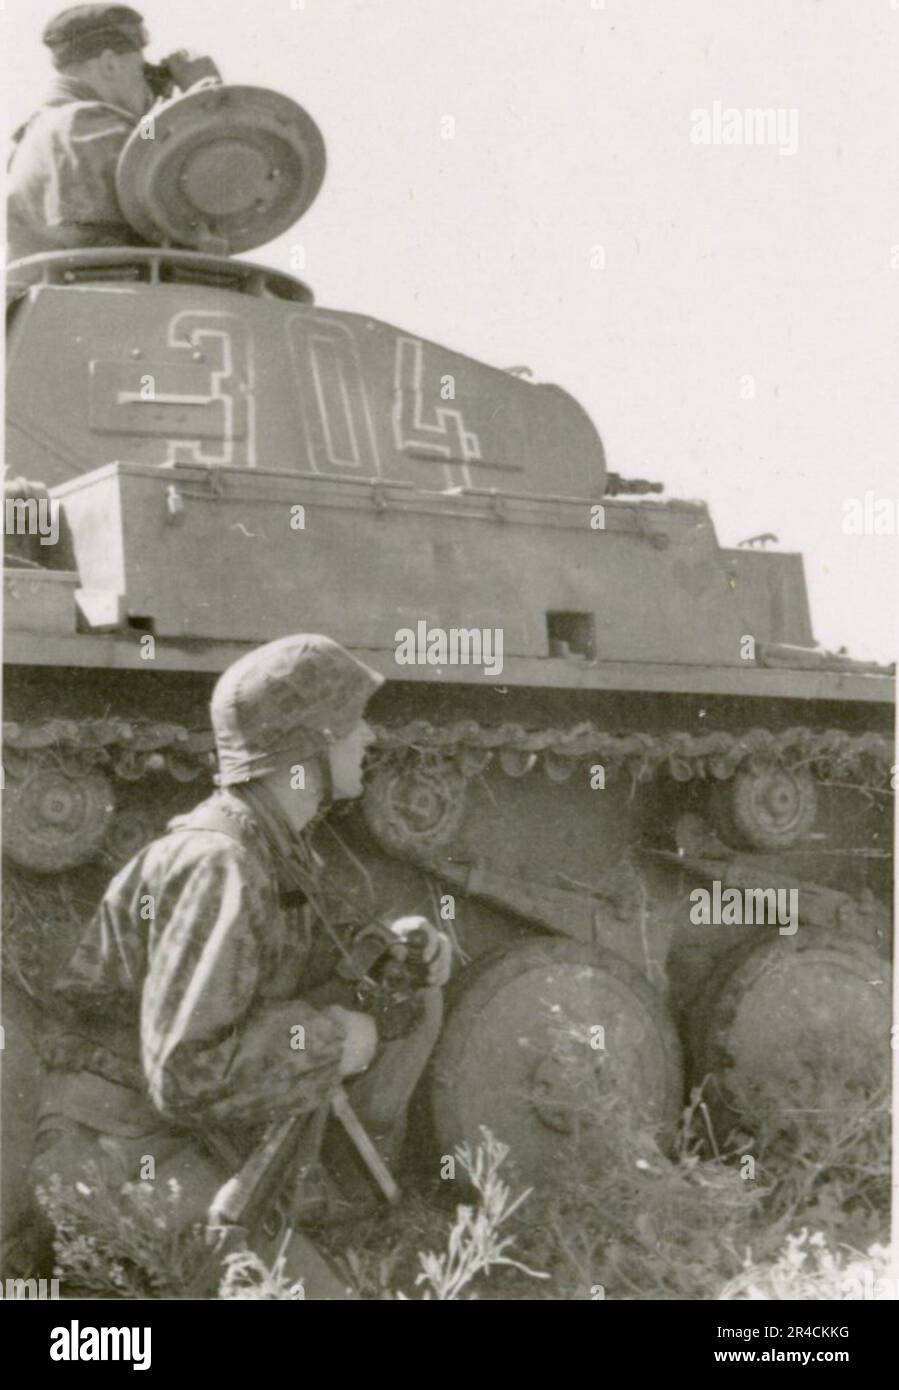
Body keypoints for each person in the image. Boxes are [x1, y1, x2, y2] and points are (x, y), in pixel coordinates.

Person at [31, 633, 451, 1297]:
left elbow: (283, 961)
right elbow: (185, 1072)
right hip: (125, 1153)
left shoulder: (265, 846)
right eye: (349, 724)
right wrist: (336, 1041)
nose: (367, 737)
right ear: (303, 750)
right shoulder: (221, 862)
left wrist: (391, 947)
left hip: (161, 1139)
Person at [7, 4, 217, 262]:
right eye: (141, 70)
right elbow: (210, 197)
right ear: (109, 65)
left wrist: (156, 108)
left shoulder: (52, 125)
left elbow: (144, 143)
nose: (145, 80)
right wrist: (207, 96)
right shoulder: (84, 123)